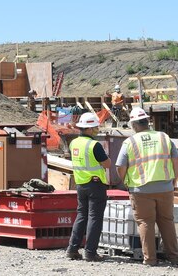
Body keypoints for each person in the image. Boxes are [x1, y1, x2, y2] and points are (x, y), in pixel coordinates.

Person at [116, 107, 178, 267]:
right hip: (165, 187)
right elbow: (176, 159)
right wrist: (174, 180)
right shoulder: (163, 137)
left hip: (141, 189)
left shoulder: (130, 142)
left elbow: (120, 166)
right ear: (147, 122)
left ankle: (150, 260)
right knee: (167, 221)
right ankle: (174, 258)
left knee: (145, 223)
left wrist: (125, 180)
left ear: (134, 124)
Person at [66, 112, 109, 263]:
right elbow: (107, 164)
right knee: (94, 217)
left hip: (81, 184)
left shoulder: (73, 143)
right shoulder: (94, 145)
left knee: (81, 216)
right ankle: (90, 252)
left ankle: (72, 249)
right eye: (95, 127)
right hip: (95, 185)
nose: (97, 129)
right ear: (89, 129)